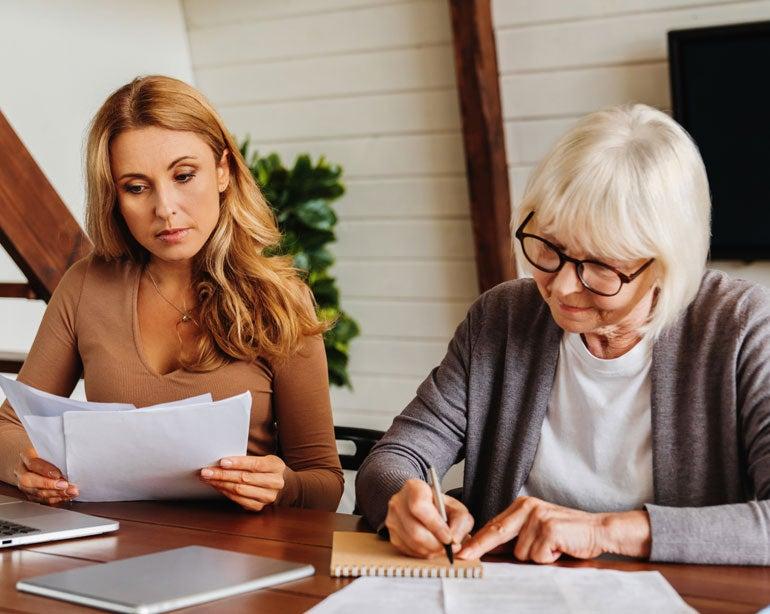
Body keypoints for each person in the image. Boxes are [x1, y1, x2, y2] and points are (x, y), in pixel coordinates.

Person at [356, 104, 770, 565]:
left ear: (664, 265)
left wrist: (605, 532)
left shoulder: (740, 327)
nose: (563, 288)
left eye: (599, 266)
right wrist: (403, 499)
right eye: (549, 249)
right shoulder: (502, 317)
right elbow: (392, 459)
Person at [0, 75, 343, 512]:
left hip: (244, 558)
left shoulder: (279, 300)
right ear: (115, 197)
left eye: (183, 175)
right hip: (110, 550)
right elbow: (7, 428)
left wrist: (282, 485)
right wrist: (25, 465)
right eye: (136, 187)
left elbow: (325, 483)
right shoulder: (88, 284)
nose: (164, 208)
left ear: (223, 170)